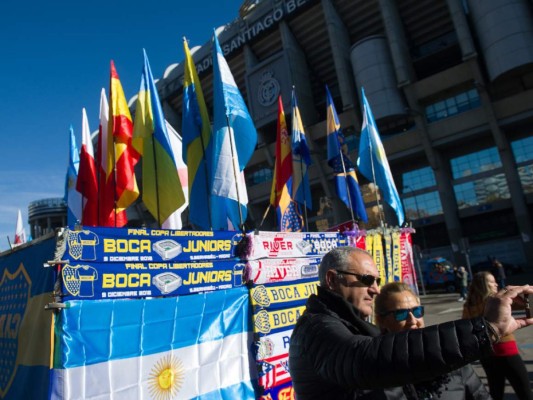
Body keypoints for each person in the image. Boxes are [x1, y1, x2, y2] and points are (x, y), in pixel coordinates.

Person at [289, 246, 532, 400]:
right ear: (332, 279)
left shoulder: (352, 327)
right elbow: (364, 359)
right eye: (366, 279)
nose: (375, 289)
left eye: (417, 310)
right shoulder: (314, 328)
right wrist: (485, 327)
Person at [375, 281, 491, 399]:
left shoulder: (449, 354)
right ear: (381, 321)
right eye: (401, 314)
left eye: (417, 311)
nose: (413, 321)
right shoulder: (374, 369)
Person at [463, 272, 533, 400]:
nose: (496, 284)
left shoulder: (468, 305)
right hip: (505, 349)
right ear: (483, 285)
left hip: (485, 353)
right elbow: (523, 304)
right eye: (492, 281)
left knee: (495, 391)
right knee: (524, 390)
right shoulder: (495, 301)